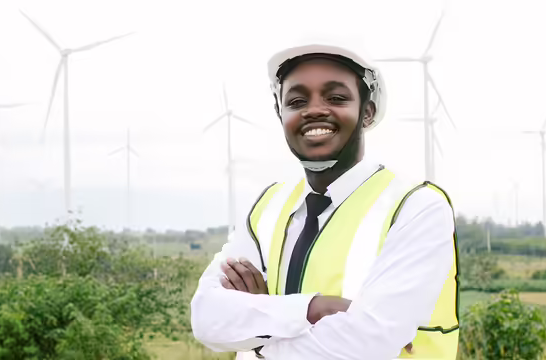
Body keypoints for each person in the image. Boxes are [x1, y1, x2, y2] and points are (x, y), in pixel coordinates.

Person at [190, 40, 459, 360]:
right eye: (297, 100)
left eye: (336, 97)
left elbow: (366, 345)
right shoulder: (266, 206)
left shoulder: (416, 207)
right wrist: (314, 309)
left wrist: (255, 336)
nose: (314, 109)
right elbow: (206, 317)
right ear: (281, 115)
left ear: (367, 113)